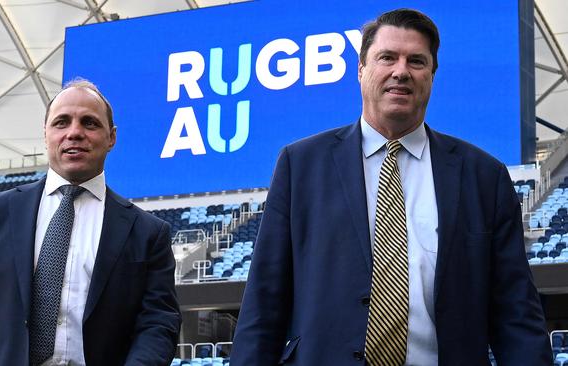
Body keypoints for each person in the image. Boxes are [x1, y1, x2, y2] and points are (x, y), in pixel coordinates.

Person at [230, 8, 551, 366]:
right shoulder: (301, 164)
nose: (401, 71)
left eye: (416, 61)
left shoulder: (483, 176)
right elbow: (264, 303)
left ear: (432, 75)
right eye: (387, 58)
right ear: (361, 70)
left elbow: (516, 313)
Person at [0, 79, 181, 365]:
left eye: (90, 123)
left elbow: (158, 323)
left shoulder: (148, 232)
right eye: (61, 122)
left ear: (111, 137)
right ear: (45, 134)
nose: (74, 133)